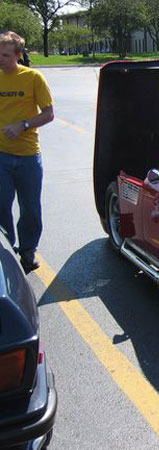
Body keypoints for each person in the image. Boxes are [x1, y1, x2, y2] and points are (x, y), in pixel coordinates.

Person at [0, 31, 54, 272]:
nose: (0, 59)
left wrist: (23, 125)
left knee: (30, 207)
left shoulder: (33, 78)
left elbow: (48, 113)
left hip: (28, 156)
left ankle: (28, 251)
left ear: (18, 55)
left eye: (5, 55)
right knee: (1, 205)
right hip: (1, 154)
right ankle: (7, 251)